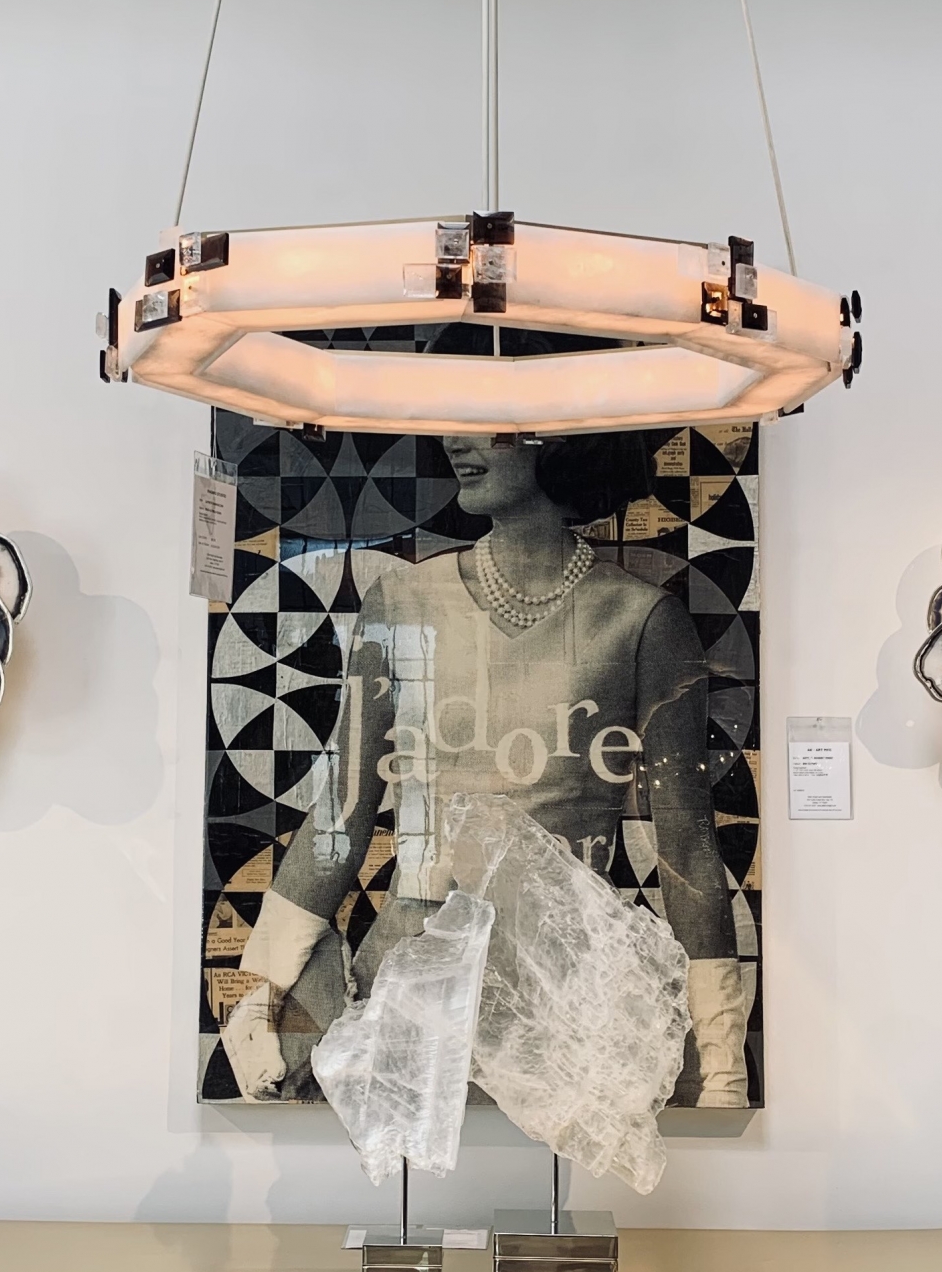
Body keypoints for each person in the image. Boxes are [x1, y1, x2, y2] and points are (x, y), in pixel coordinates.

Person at [220, 428, 754, 1106]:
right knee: (410, 1167)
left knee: (550, 1168)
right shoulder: (402, 602)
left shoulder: (641, 618)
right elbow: (341, 814)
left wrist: (720, 1062)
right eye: (452, 422)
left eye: (489, 427)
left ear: (557, 439)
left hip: (567, 993)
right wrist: (263, 990)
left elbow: (687, 845)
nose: (454, 442)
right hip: (410, 983)